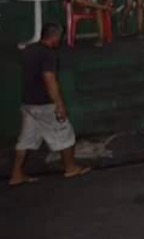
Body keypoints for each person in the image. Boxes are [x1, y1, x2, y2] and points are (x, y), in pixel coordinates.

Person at [10, 23, 91, 186]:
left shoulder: (29, 50)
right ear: (55, 36)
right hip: (44, 104)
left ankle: (16, 173)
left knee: (25, 140)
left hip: (28, 103)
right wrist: (59, 105)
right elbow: (50, 80)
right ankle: (70, 167)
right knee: (65, 134)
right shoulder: (48, 55)